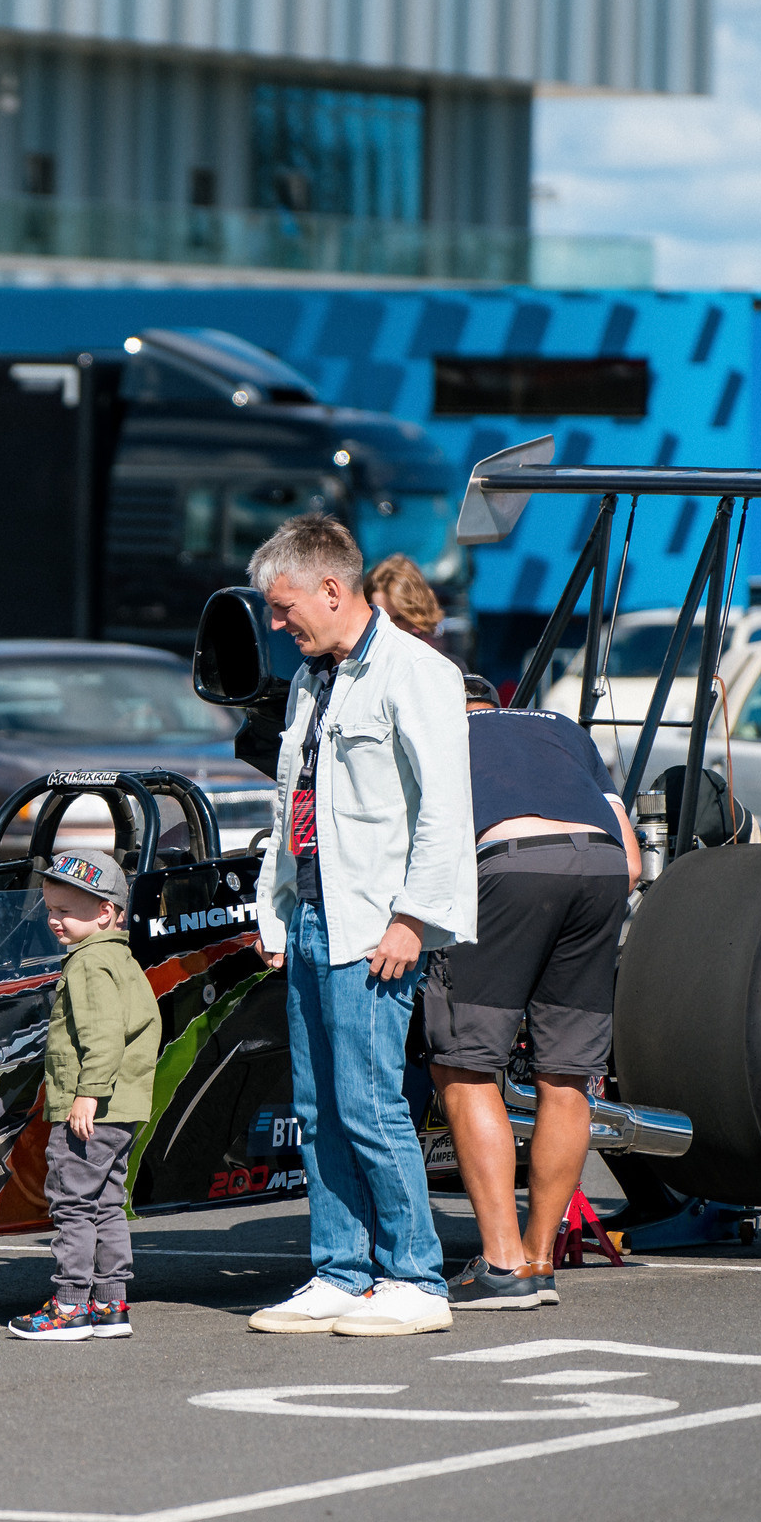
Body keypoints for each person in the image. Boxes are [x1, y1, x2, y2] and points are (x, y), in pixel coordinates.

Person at [243, 513, 474, 1339]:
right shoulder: (314, 679)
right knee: (320, 1107)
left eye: (284, 607)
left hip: (375, 927)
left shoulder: (418, 671)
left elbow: (445, 808)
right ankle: (341, 1271)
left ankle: (415, 1276)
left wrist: (413, 919)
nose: (277, 624)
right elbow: (292, 803)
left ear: (332, 590)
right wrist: (275, 910)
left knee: (370, 1102)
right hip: (314, 916)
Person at [423, 671, 640, 1309]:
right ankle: (540, 1259)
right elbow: (633, 863)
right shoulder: (561, 729)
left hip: (509, 861)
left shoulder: (438, 729)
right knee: (566, 1075)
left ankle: (501, 1263)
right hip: (601, 867)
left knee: (465, 1065)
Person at [7, 851, 161, 1343]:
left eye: (67, 911)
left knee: (73, 1203)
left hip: (91, 1109)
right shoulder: (120, 958)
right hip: (123, 1108)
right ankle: (110, 1304)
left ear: (106, 912)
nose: (55, 920)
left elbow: (103, 1036)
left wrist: (87, 1094)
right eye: (51, 909)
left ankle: (71, 1306)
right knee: (106, 1202)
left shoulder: (89, 964)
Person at [363, 553, 446, 647]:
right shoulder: (353, 654)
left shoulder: (431, 655)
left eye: (398, 618)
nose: (387, 627)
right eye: (378, 616)